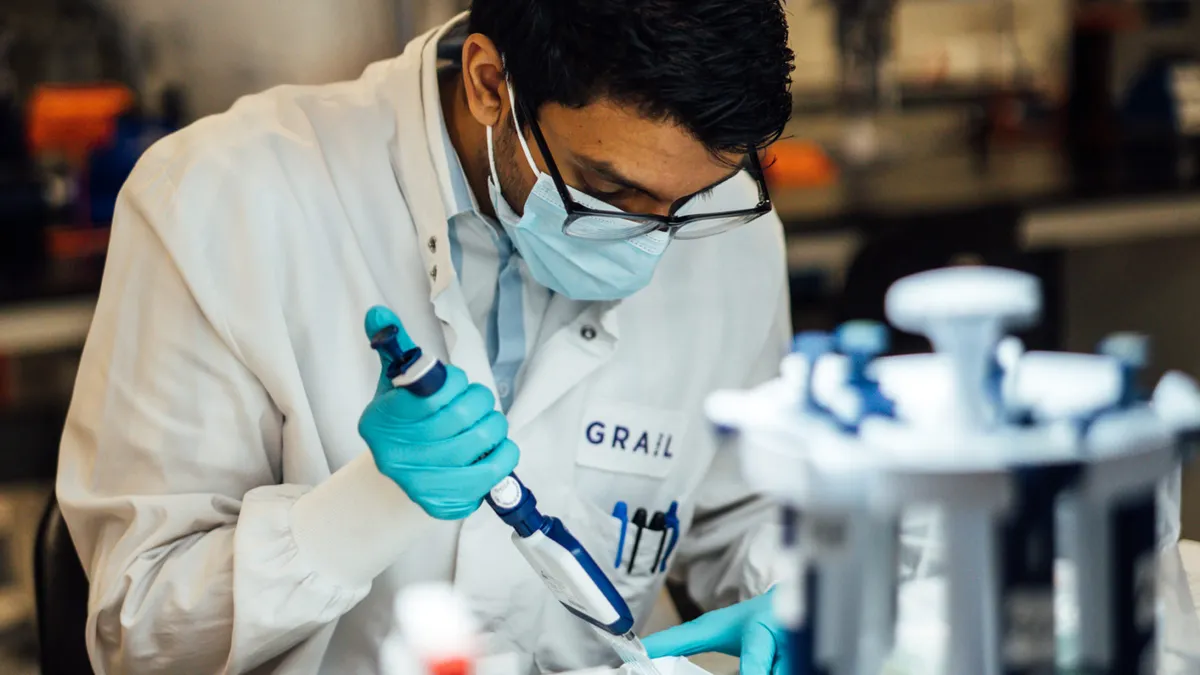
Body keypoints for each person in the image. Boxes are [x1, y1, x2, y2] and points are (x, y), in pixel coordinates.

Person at [56, 1, 796, 673]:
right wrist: (365, 505)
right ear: (488, 84)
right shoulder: (222, 199)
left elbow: (745, 508)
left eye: (690, 199)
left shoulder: (727, 225)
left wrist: (808, 600)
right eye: (606, 189)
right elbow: (142, 630)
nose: (652, 238)